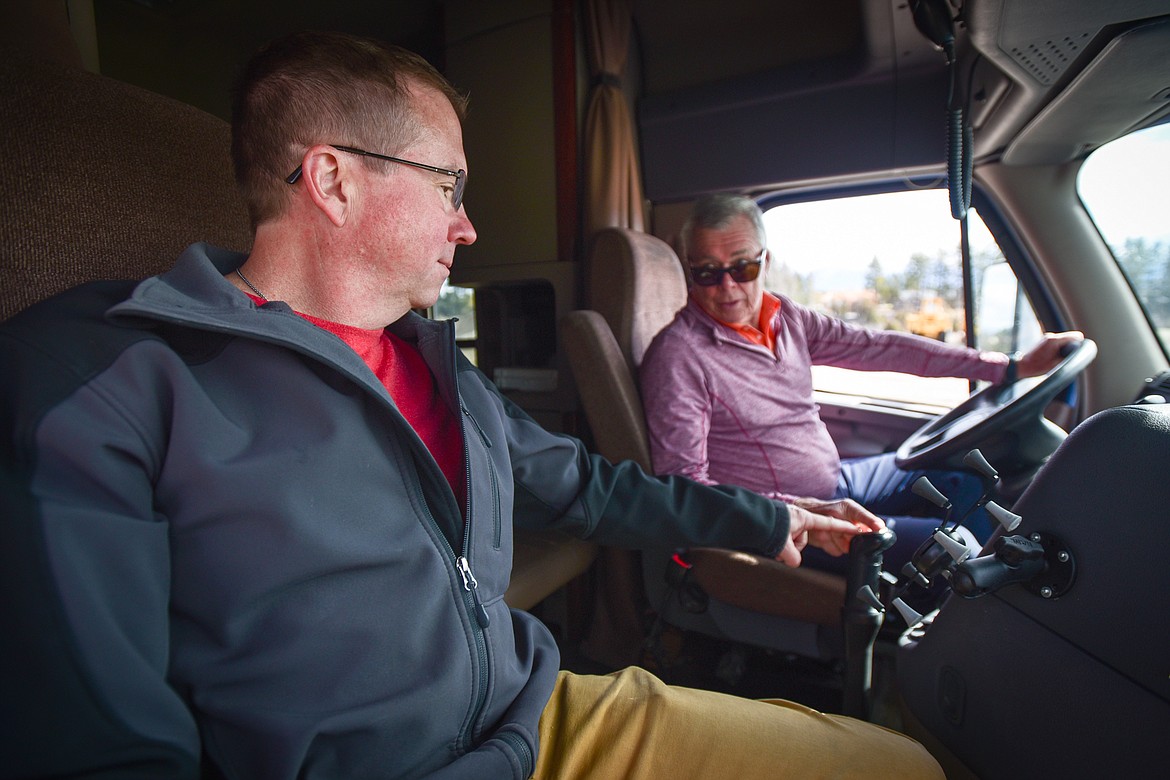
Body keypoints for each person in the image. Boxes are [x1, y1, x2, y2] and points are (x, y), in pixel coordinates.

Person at [0, 31, 943, 780]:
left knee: (902, 767)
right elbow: (100, 741)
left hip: (542, 719)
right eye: (449, 183)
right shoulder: (108, 378)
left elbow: (588, 488)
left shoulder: (445, 373)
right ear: (333, 180)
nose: (469, 224)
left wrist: (770, 515)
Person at [640, 193, 1083, 573]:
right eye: (707, 273)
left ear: (765, 261)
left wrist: (1007, 366)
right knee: (957, 544)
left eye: (742, 268)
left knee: (970, 480)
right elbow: (686, 487)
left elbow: (880, 347)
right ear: (689, 272)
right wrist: (797, 512)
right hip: (785, 518)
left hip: (840, 480)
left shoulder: (785, 317)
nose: (727, 287)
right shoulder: (679, 356)